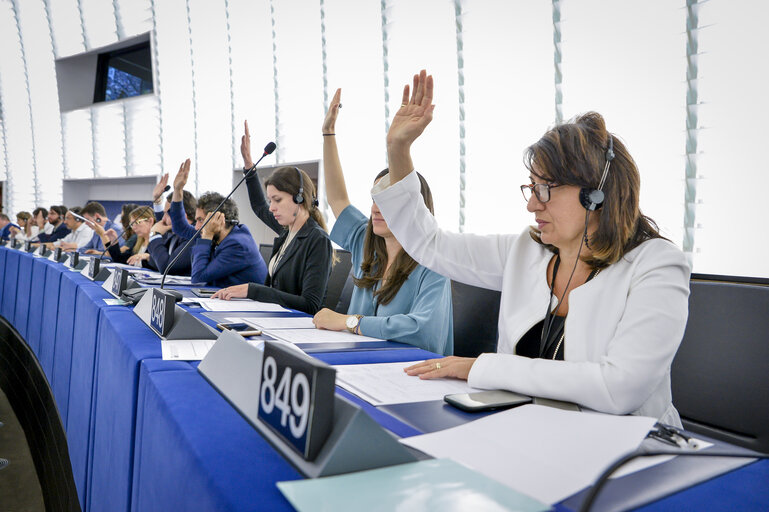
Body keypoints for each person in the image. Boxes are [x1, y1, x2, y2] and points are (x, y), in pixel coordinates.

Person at [373, 70, 690, 426]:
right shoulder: (527, 251)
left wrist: (483, 368)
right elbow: (429, 244)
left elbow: (618, 389)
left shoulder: (657, 265)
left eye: (545, 189)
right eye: (532, 188)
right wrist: (398, 149)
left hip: (628, 452)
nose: (532, 204)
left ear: (594, 194)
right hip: (527, 434)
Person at [310, 90, 453, 354]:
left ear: (414, 207)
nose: (376, 208)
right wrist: (328, 133)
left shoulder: (435, 260)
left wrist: (350, 322)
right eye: (375, 198)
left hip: (406, 371)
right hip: (360, 361)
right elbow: (338, 198)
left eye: (387, 201)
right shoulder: (367, 241)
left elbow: (420, 330)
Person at [212, 123, 333, 315]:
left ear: (299, 197)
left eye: (277, 200)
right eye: (271, 200)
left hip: (296, 330)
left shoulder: (317, 240)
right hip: (275, 320)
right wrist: (249, 166)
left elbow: (310, 305)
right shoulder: (288, 231)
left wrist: (253, 291)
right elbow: (259, 207)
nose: (271, 207)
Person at [168, 159, 267, 287]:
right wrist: (178, 190)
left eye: (200, 220)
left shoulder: (237, 244)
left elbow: (198, 277)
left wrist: (207, 236)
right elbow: (180, 228)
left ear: (218, 219)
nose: (196, 226)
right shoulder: (216, 233)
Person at [145, 188, 197, 275]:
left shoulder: (194, 237)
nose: (163, 219)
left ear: (181, 216)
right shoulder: (175, 236)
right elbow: (157, 262)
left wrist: (154, 235)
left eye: (167, 214)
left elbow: (167, 268)